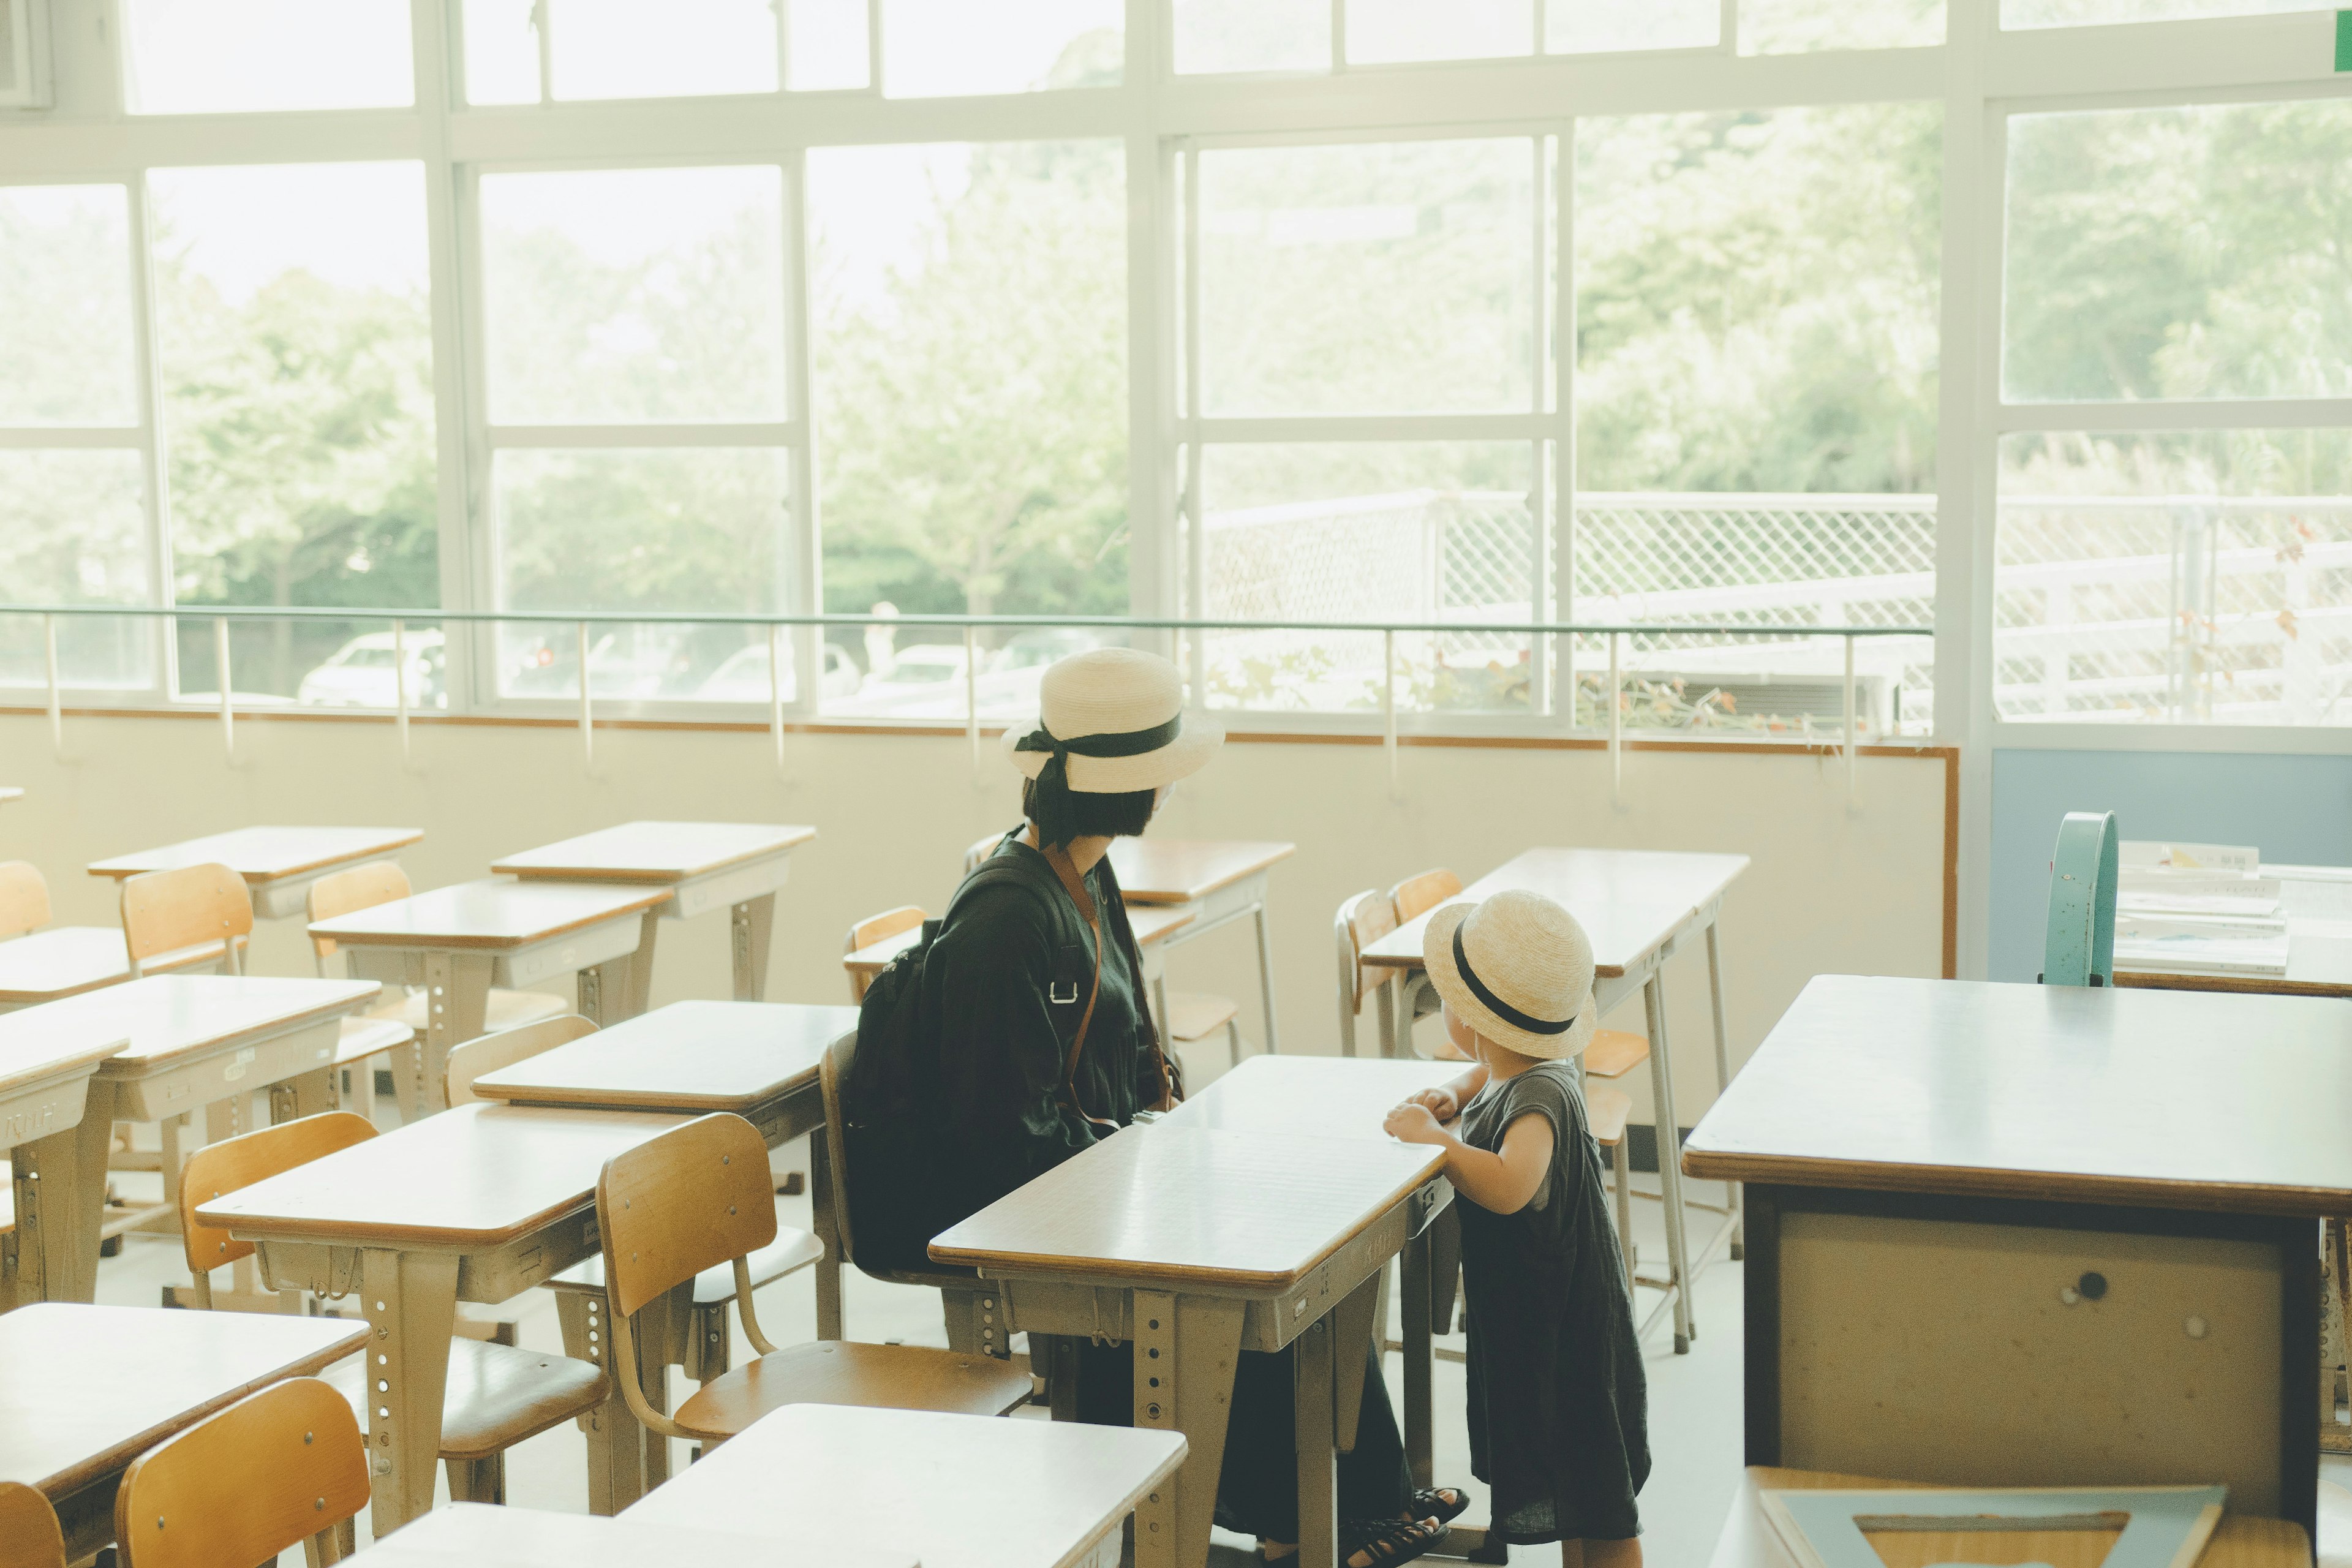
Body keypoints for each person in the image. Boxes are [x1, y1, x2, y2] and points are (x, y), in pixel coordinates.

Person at [853, 647, 1465, 1568]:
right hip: (1014, 1200)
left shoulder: (1081, 872)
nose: (1170, 792)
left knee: (1287, 1240)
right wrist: (1138, 1152)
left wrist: (1162, 1121)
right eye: (1159, 777)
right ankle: (1307, 1521)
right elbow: (996, 1136)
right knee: (1245, 1268)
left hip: (1094, 1168)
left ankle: (1351, 1503)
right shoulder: (1005, 918)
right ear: (1123, 791)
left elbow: (1133, 1031)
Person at [1381, 890, 1650, 1568]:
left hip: (1567, 1337)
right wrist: (1458, 1092)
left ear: (1471, 1019)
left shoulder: (1539, 1099)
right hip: (1549, 1321)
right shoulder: (1527, 1067)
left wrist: (1436, 1141)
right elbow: (1495, 1068)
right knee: (1578, 1499)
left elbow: (1508, 1185)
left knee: (1596, 1499)